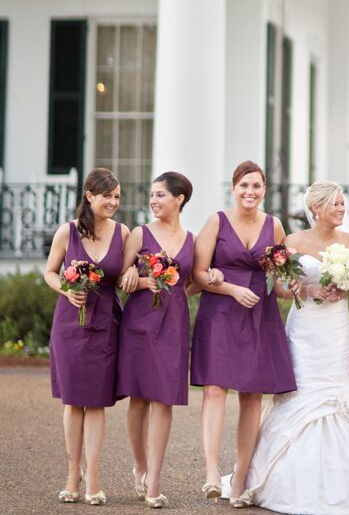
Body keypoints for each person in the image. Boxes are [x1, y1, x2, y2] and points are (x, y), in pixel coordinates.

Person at [228, 180, 349, 514]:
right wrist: (307, 291)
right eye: (336, 205)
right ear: (317, 208)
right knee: (300, 391)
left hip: (336, 329)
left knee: (335, 388)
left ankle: (344, 484)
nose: (343, 210)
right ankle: (282, 478)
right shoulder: (294, 242)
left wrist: (347, 286)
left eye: (343, 204)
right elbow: (282, 289)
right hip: (304, 327)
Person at [190, 160, 296, 507]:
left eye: (256, 186)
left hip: (259, 315)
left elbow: (278, 282)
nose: (250, 192)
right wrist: (232, 290)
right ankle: (210, 472)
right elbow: (199, 274)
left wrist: (291, 285)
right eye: (244, 186)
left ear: (264, 190)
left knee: (252, 395)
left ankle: (240, 477)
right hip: (220, 313)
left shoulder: (275, 226)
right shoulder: (216, 222)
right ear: (233, 188)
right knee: (216, 389)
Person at [45, 167, 129, 506]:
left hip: (105, 324)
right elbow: (49, 272)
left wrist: (134, 272)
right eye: (108, 196)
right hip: (69, 324)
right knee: (73, 402)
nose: (113, 202)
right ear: (89, 196)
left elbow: (127, 271)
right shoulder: (66, 233)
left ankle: (93, 477)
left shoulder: (123, 233)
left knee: (95, 403)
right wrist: (67, 290)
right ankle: (72, 473)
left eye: (117, 197)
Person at [116, 171, 201, 509]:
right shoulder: (140, 234)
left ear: (179, 199)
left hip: (175, 323)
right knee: (139, 399)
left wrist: (178, 292)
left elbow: (194, 281)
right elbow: (122, 277)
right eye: (152, 194)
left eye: (160, 195)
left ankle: (155, 482)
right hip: (139, 322)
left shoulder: (193, 240)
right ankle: (140, 465)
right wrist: (141, 279)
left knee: (165, 400)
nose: (154, 201)